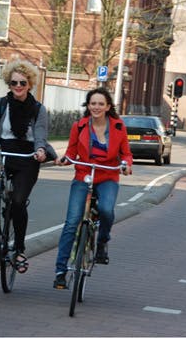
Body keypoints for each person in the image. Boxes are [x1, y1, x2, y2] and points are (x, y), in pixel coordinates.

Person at [0, 59, 52, 274]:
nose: (17, 86)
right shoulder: (0, 104)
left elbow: (41, 136)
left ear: (30, 84)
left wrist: (41, 151)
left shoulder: (38, 109)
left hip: (27, 157)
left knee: (17, 201)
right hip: (2, 152)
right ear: (9, 83)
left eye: (22, 83)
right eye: (13, 82)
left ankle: (19, 250)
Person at [52, 87, 133, 289]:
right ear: (88, 106)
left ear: (107, 107)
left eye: (100, 104)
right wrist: (64, 159)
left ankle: (102, 242)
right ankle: (60, 271)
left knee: (106, 210)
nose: (96, 107)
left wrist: (126, 165)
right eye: (93, 103)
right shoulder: (79, 126)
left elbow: (126, 153)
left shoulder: (117, 127)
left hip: (107, 175)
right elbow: (71, 151)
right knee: (72, 222)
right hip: (83, 175)